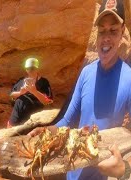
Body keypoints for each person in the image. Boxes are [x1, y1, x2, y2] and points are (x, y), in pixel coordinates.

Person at [28, 0, 131, 179]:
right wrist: (46, 130)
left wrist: (125, 170)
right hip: (71, 171)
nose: (106, 38)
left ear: (122, 32)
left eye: (113, 30)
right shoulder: (86, 73)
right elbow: (67, 120)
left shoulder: (129, 78)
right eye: (102, 31)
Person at [8, 58, 53, 127]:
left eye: (32, 68)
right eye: (28, 68)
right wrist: (20, 93)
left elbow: (48, 101)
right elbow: (11, 95)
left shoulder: (43, 82)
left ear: (37, 69)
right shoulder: (21, 80)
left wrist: (34, 91)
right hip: (17, 114)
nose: (30, 70)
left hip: (33, 116)